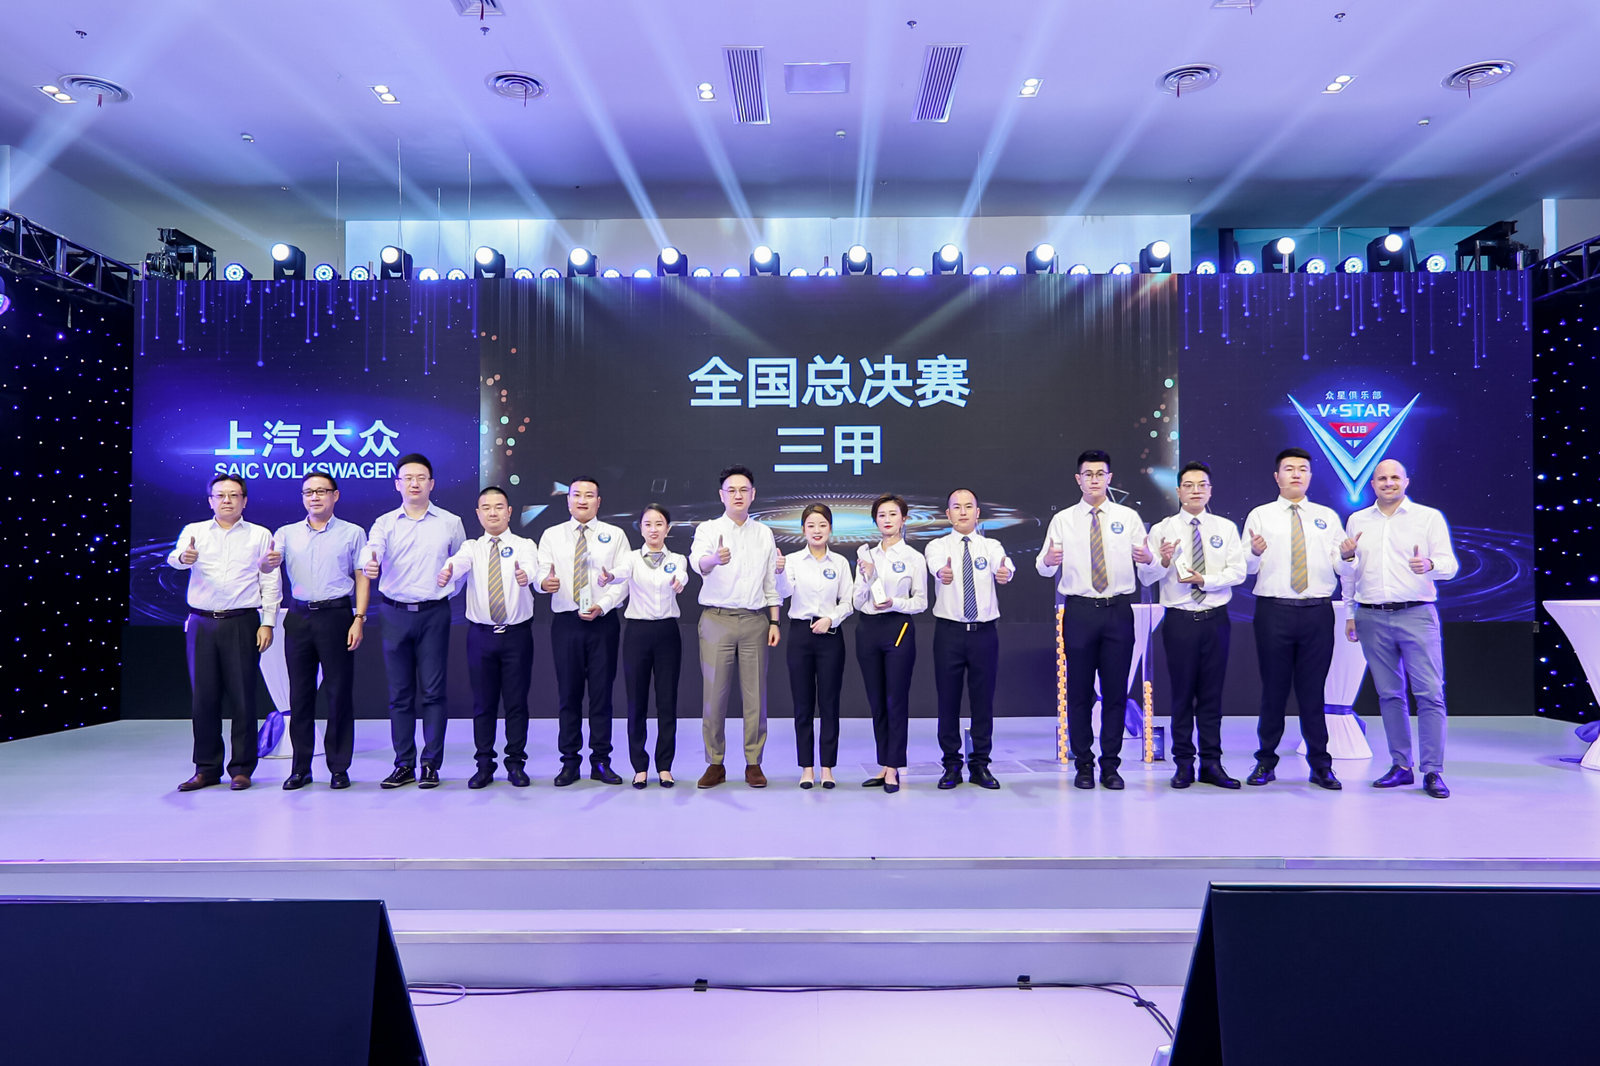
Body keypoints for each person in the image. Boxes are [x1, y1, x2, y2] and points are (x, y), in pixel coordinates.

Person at [1341, 459, 1459, 798]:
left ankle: (1433, 771)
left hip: (1416, 614)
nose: (1388, 483)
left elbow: (1450, 565)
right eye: (1382, 478)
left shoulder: (1428, 518)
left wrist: (1430, 564)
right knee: (1390, 695)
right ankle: (1401, 766)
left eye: (1395, 477)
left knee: (1430, 693)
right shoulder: (1358, 520)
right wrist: (1350, 612)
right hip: (1371, 616)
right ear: (1373, 484)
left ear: (1406, 481)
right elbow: (1350, 573)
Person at [1035, 450, 1149, 791]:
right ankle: (1083, 764)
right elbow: (1043, 567)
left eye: (1101, 474)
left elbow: (1149, 567)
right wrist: (1049, 559)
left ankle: (1111, 765)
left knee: (1116, 691)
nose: (1095, 479)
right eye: (1088, 474)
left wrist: (1149, 558)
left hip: (1118, 610)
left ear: (1109, 478)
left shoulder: (1128, 518)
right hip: (1080, 611)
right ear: (1078, 479)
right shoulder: (1063, 520)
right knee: (1079, 692)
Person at [1241, 447, 1353, 790]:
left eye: (1302, 469)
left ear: (1310, 476)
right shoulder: (1260, 515)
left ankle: (1320, 765)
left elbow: (1342, 566)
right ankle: (1266, 761)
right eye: (1289, 469)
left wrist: (1348, 556)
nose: (1296, 474)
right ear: (1277, 477)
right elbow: (1246, 567)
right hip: (1273, 611)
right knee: (1273, 690)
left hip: (1317, 612)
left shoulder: (1326, 517)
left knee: (1313, 691)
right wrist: (1254, 552)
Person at [1138, 462, 1247, 790]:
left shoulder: (1225, 528)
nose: (1195, 490)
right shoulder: (1163, 529)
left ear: (1210, 490)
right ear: (1178, 491)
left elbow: (1238, 572)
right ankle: (1183, 764)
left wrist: (1205, 580)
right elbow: (1146, 577)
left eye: (1202, 485)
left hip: (1215, 620)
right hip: (1179, 621)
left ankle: (1212, 763)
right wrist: (1163, 560)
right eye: (1188, 485)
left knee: (1212, 695)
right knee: (1182, 695)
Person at [168, 473, 280, 792]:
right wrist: (183, 558)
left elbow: (270, 579)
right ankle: (206, 769)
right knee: (204, 698)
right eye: (220, 495)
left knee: (243, 697)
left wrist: (268, 622)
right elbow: (175, 559)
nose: (227, 500)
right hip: (201, 622)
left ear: (245, 500)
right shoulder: (195, 531)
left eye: (233, 495)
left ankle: (242, 768)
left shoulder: (259, 534)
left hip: (242, 621)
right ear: (210, 501)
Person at [364, 453, 466, 790]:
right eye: (407, 478)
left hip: (434, 614)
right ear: (397, 484)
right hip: (394, 613)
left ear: (431, 483)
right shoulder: (384, 523)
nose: (414, 483)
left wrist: (445, 591)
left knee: (434, 693)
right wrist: (371, 564)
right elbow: (372, 551)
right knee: (400, 694)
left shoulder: (450, 522)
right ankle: (404, 764)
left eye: (421, 477)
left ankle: (431, 764)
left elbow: (461, 564)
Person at [265, 472, 368, 791]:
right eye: (308, 492)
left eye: (322, 491)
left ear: (335, 496)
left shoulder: (353, 533)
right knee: (300, 695)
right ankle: (301, 768)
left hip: (337, 615)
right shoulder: (286, 533)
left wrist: (359, 617)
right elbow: (268, 567)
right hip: (299, 617)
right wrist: (266, 562)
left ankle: (339, 767)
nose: (314, 497)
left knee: (339, 694)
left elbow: (362, 576)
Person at [438, 486, 541, 789]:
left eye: (498, 507)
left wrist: (526, 576)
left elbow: (532, 568)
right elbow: (457, 564)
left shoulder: (524, 545)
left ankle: (516, 764)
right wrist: (448, 571)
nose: (492, 512)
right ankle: (484, 764)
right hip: (480, 636)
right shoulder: (472, 547)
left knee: (516, 703)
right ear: (478, 514)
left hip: (516, 636)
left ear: (509, 512)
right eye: (486, 507)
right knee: (483, 704)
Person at [691, 465, 781, 789]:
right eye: (732, 490)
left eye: (744, 490)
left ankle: (753, 762)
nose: (738, 495)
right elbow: (698, 563)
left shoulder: (764, 533)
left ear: (753, 495)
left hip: (755, 620)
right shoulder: (708, 529)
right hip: (717, 619)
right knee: (714, 697)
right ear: (721, 495)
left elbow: (770, 581)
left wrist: (774, 620)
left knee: (755, 696)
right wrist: (714, 559)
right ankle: (715, 763)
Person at [537, 477, 631, 786]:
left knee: (602, 695)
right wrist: (544, 583)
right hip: (566, 623)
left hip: (603, 621)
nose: (582, 500)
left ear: (598, 502)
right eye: (576, 494)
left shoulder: (615, 535)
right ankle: (569, 762)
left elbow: (623, 580)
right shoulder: (552, 535)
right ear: (568, 500)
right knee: (569, 694)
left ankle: (601, 761)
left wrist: (603, 605)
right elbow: (541, 573)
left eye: (589, 495)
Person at [924, 489, 1013, 790]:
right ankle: (951, 765)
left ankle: (980, 765)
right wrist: (943, 573)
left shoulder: (991, 545)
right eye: (956, 507)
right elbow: (936, 566)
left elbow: (1004, 564)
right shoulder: (937, 546)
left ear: (978, 513)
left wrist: (1006, 573)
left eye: (968, 507)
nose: (962, 512)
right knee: (947, 701)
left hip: (984, 633)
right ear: (947, 514)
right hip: (949, 633)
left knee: (983, 701)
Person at [605, 504, 687, 789]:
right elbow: (619, 573)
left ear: (668, 528)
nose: (653, 529)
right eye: (648, 524)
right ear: (640, 528)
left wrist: (679, 582)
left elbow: (682, 576)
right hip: (637, 634)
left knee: (667, 701)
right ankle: (639, 767)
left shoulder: (677, 559)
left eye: (659, 523)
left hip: (667, 633)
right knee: (636, 701)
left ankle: (664, 766)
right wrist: (609, 577)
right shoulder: (630, 558)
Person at [854, 493, 929, 794]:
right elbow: (856, 601)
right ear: (875, 521)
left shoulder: (914, 558)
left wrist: (893, 602)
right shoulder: (866, 556)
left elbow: (921, 602)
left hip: (898, 627)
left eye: (893, 514)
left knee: (895, 699)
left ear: (904, 519)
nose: (887, 520)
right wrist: (867, 578)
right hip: (868, 629)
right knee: (876, 700)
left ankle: (894, 767)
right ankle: (884, 763)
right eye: (882, 515)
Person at [776, 503, 854, 789]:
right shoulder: (793, 561)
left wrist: (831, 619)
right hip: (800, 635)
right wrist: (779, 572)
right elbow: (783, 593)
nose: (817, 530)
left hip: (831, 636)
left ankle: (827, 768)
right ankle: (806, 768)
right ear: (803, 530)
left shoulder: (840, 563)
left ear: (830, 528)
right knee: (803, 704)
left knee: (830, 704)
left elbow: (848, 601)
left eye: (822, 525)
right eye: (811, 525)